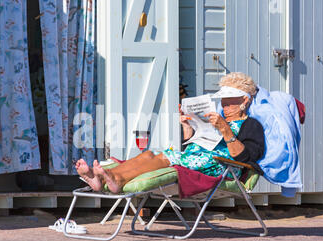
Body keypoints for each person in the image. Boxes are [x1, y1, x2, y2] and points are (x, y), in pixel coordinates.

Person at [76, 72, 265, 194]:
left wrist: (225, 129)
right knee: (149, 154)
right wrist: (188, 127)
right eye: (223, 101)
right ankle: (101, 177)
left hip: (222, 166)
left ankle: (116, 179)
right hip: (198, 157)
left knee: (166, 158)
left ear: (245, 101)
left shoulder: (251, 125)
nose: (225, 105)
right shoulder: (216, 118)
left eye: (230, 101)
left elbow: (246, 157)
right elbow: (198, 143)